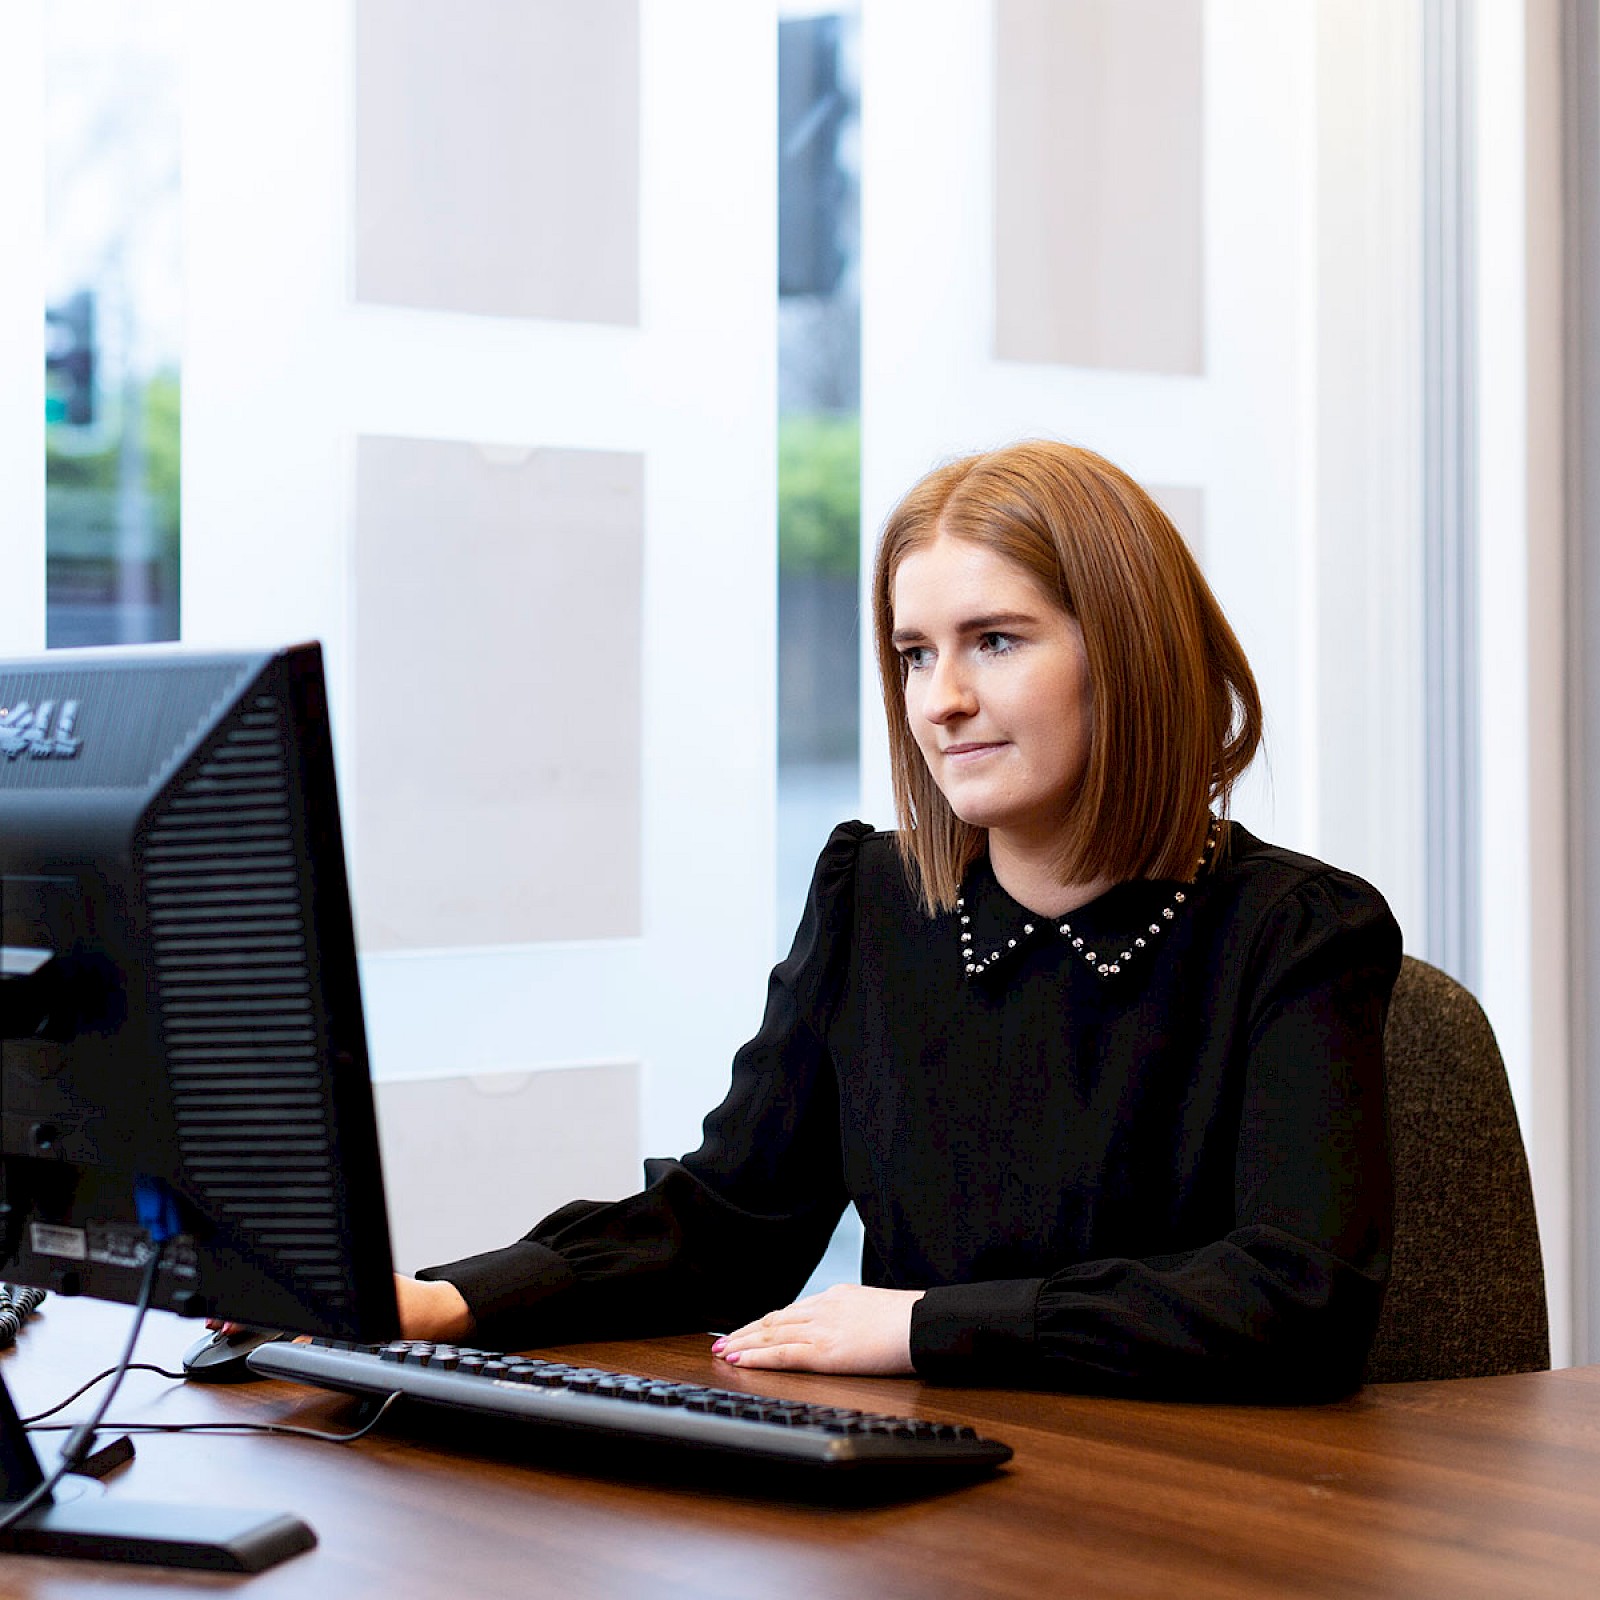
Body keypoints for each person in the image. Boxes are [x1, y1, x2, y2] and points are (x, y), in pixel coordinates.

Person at [398, 441, 1402, 1400]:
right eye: (916, 654)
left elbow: (1297, 1298)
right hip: (936, 1493)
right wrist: (450, 1300)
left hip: (1190, 1512)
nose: (941, 701)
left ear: (1131, 654)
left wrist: (923, 1325)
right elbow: (727, 1224)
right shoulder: (867, 899)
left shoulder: (1299, 932)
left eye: (994, 641)